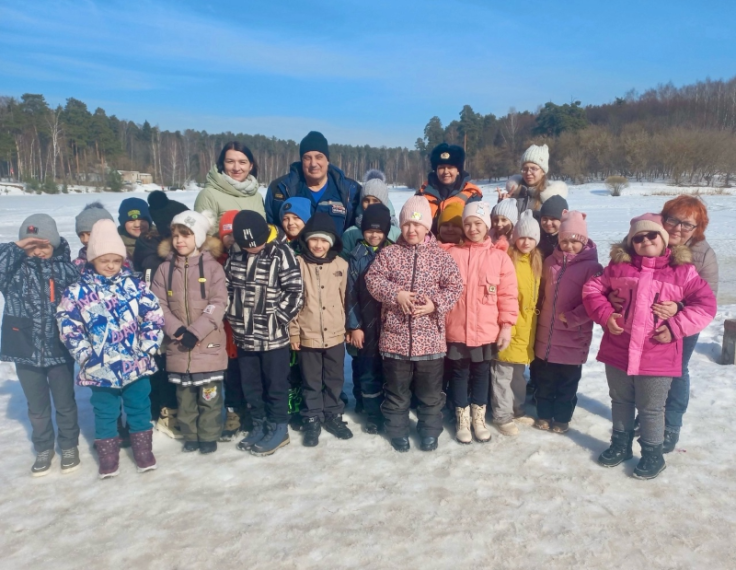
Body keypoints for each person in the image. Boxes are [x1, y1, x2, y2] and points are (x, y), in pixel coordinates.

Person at [583, 213, 717, 479]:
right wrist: (606, 314)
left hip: (658, 353)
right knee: (620, 400)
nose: (645, 241)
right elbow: (591, 290)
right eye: (638, 237)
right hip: (619, 349)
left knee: (651, 407)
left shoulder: (683, 272)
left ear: (664, 239)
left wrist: (676, 326)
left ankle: (653, 454)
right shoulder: (618, 268)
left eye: (651, 235)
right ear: (631, 242)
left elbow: (706, 305)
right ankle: (620, 444)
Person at [608, 196, 719, 454]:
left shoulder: (702, 254)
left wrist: (678, 310)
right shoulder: (649, 237)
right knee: (642, 370)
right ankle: (647, 415)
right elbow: (617, 273)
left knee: (677, 370)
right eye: (673, 220)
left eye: (687, 225)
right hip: (640, 323)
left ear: (697, 229)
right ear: (664, 218)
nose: (678, 229)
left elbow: (706, 300)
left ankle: (671, 424)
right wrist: (612, 296)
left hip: (680, 324)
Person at [56, 219, 164, 479]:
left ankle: (143, 450)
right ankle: (108, 454)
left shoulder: (136, 286)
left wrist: (148, 346)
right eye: (104, 260)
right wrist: (84, 353)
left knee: (139, 406)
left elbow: (153, 316)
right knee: (105, 411)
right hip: (99, 367)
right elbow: (68, 324)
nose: (110, 266)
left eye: (116, 260)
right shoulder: (77, 292)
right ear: (93, 259)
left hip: (135, 363)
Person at [365, 196, 463, 452]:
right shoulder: (389, 254)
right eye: (407, 224)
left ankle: (430, 431)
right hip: (395, 339)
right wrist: (394, 294)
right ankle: (397, 431)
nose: (412, 230)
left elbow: (455, 286)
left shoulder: (440, 257)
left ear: (427, 227)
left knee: (430, 394)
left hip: (430, 339)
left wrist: (435, 304)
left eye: (417, 225)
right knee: (397, 392)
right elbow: (373, 280)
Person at [0, 214, 81, 476]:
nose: (37, 251)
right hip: (25, 349)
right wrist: (17, 246)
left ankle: (69, 445)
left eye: (43, 245)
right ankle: (44, 447)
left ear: (55, 245)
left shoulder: (68, 270)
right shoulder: (14, 271)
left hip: (59, 348)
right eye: (32, 245)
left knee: (65, 403)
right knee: (37, 407)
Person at [226, 210, 304, 456]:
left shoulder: (281, 253)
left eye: (256, 244)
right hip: (244, 334)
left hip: (273, 337)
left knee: (275, 384)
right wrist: (233, 314)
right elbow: (227, 288)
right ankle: (259, 424)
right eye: (247, 245)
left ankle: (279, 427)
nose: (252, 249)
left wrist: (277, 318)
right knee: (251, 385)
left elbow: (295, 292)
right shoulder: (235, 254)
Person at [151, 211, 228, 454]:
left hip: (207, 345)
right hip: (179, 346)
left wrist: (196, 331)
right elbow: (158, 304)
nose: (179, 241)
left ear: (199, 236)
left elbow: (219, 302)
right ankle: (191, 435)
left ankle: (208, 435)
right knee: (184, 398)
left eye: (185, 235)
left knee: (209, 397)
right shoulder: (164, 269)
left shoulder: (213, 269)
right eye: (175, 235)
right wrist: (178, 330)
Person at [444, 202, 518, 444]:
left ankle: (479, 418)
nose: (472, 228)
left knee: (481, 373)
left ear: (486, 225)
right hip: (456, 327)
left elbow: (508, 294)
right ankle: (462, 418)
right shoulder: (451, 253)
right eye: (467, 223)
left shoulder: (499, 257)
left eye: (478, 223)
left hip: (485, 330)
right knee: (459, 373)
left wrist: (506, 325)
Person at [533, 210, 602, 434]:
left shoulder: (592, 268)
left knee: (567, 382)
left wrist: (573, 318)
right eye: (564, 241)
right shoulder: (549, 263)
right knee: (545, 379)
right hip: (546, 334)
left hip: (574, 335)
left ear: (583, 241)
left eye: (574, 241)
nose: (569, 246)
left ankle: (562, 418)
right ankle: (543, 414)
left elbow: (595, 302)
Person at [289, 213, 352, 446]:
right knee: (311, 380)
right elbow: (292, 301)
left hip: (335, 334)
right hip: (308, 335)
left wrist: (349, 327)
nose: (318, 245)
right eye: (314, 240)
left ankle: (333, 414)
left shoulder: (341, 265)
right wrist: (294, 331)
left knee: (335, 378)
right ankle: (312, 417)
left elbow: (347, 299)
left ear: (331, 242)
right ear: (306, 240)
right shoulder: (298, 264)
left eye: (324, 240)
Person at [133, 190, 190, 440]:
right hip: (156, 316)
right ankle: (163, 411)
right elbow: (148, 272)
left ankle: (174, 408)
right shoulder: (150, 246)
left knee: (174, 364)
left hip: (182, 315)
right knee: (159, 364)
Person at [492, 210, 542, 435]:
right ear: (514, 237)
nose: (526, 242)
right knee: (502, 373)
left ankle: (517, 408)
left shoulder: (535, 261)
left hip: (526, 329)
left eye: (531, 238)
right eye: (522, 237)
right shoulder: (507, 258)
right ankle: (502, 415)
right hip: (508, 325)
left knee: (518, 375)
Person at [346, 204, 393, 434]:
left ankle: (391, 412)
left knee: (391, 371)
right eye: (369, 230)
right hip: (366, 324)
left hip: (392, 326)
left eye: (379, 231)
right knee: (368, 371)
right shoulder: (356, 256)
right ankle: (372, 413)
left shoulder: (394, 252)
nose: (374, 235)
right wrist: (354, 325)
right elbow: (350, 293)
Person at [265, 131, 361, 237]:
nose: (313, 164)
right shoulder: (280, 189)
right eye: (307, 158)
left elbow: (356, 235)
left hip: (338, 253)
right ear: (301, 161)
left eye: (319, 157)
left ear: (327, 160)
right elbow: (271, 231)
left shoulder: (350, 191)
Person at [216, 210, 251, 442]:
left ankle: (251, 411)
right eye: (226, 234)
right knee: (230, 377)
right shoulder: (214, 262)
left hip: (246, 329)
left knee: (249, 374)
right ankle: (233, 412)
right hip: (223, 331)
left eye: (235, 234)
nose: (231, 239)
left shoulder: (249, 258)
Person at [194, 141, 266, 229]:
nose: (236, 168)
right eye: (230, 161)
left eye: (242, 162)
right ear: (222, 164)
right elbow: (201, 236)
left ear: (250, 166)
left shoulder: (257, 196)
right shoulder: (208, 195)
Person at [415, 143, 483, 231]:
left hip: (461, 243)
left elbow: (480, 225)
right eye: (441, 168)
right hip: (428, 242)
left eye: (450, 167)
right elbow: (414, 219)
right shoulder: (423, 194)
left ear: (458, 170)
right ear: (436, 170)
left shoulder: (471, 195)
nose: (446, 171)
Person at [340, 170, 401, 257]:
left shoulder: (396, 233)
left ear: (384, 202)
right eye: (366, 200)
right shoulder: (351, 233)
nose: (370, 204)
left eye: (375, 200)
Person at [498, 144, 568, 219]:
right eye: (525, 169)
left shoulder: (551, 198)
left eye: (533, 168)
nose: (528, 173)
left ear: (543, 171)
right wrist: (502, 205)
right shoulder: (514, 194)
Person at [73, 202, 115, 271]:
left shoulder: (120, 260)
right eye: (81, 235)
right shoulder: (78, 265)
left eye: (90, 234)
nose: (85, 240)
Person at [537, 195, 568, 259]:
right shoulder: (536, 238)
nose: (548, 223)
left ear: (562, 220)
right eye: (545, 218)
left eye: (553, 219)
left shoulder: (568, 241)